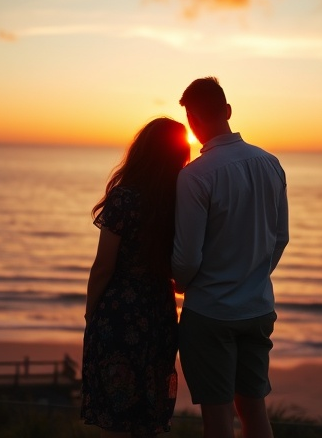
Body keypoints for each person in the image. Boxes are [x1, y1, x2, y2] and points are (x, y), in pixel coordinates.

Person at [172, 77, 289, 438]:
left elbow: (187, 258)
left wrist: (178, 283)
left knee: (217, 419)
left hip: (210, 313)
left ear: (191, 121)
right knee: (254, 411)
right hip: (256, 307)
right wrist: (250, 276)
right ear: (227, 111)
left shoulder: (195, 176)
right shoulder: (271, 164)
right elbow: (280, 238)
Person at [81, 117, 191, 438]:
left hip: (119, 316)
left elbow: (104, 266)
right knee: (148, 415)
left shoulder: (124, 198)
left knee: (116, 418)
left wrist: (91, 310)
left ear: (141, 151)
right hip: (159, 312)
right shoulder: (179, 201)